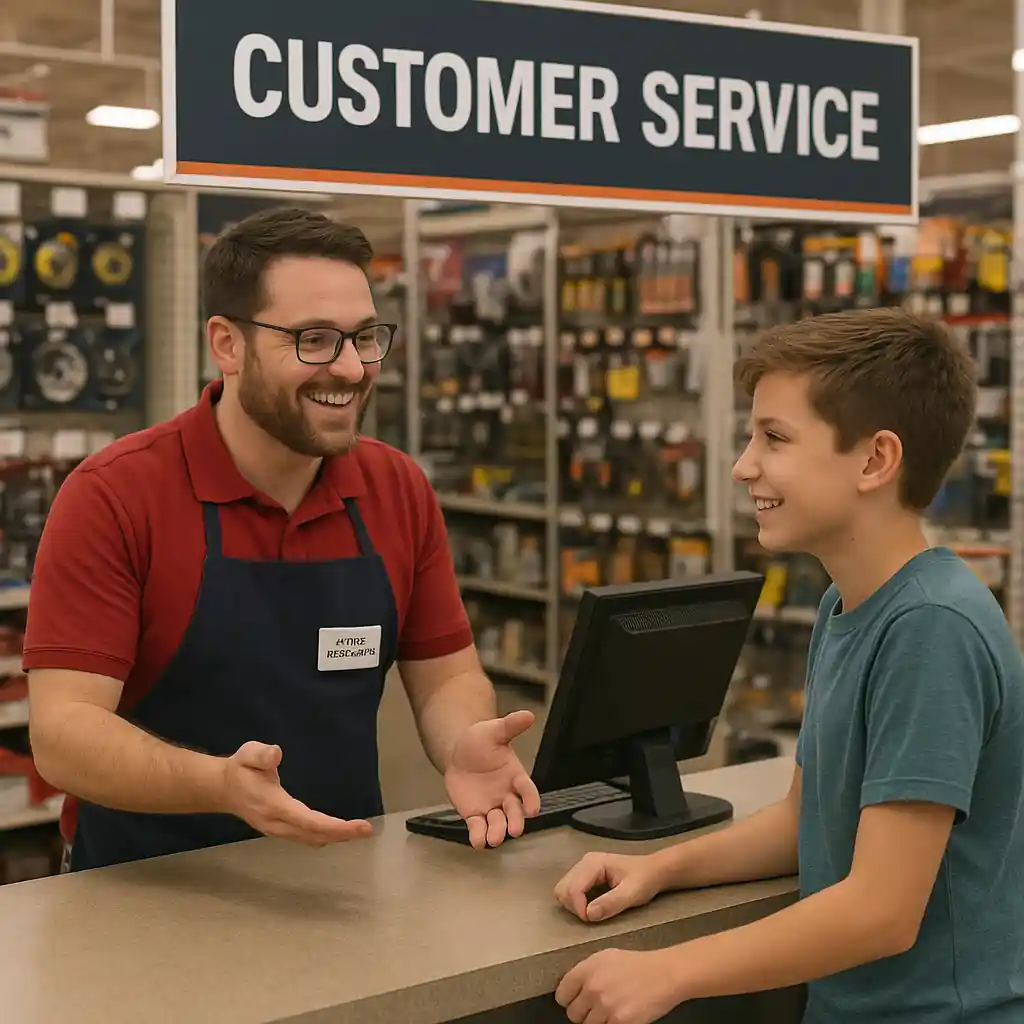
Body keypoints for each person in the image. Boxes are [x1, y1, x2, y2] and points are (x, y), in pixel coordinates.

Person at [24, 205, 541, 871]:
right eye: (315, 340)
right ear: (227, 344)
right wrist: (218, 786)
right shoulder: (115, 496)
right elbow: (63, 734)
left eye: (363, 337)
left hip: (342, 883)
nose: (352, 369)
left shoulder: (396, 489)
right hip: (142, 893)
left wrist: (464, 740)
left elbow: (446, 676)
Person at [551, 307, 1024, 1024]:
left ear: (875, 460)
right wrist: (660, 868)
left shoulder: (932, 629)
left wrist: (671, 971)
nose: (744, 465)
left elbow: (882, 911)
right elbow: (804, 821)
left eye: (773, 437)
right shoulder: (850, 602)